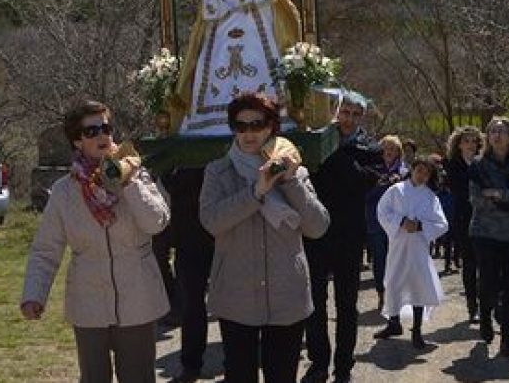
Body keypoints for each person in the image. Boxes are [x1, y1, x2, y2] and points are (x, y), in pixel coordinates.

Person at [21, 100, 170, 383]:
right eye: (91, 131)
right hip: (88, 304)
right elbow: (46, 249)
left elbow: (157, 223)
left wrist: (128, 182)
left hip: (138, 300)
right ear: (77, 141)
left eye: (106, 128)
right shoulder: (64, 191)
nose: (102, 135)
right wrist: (34, 295)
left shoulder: (138, 174)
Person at [199, 92, 329, 382]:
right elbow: (211, 222)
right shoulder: (218, 172)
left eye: (256, 125)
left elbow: (318, 226)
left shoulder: (296, 172)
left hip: (287, 295)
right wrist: (256, 191)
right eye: (240, 125)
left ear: (271, 127)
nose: (249, 133)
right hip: (236, 295)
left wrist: (290, 181)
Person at [174, 0, 301, 136]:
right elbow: (209, 15)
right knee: (215, 71)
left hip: (256, 41)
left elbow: (267, 3)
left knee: (262, 68)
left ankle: (270, 113)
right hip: (222, 44)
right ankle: (212, 118)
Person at [302, 92, 381, 383]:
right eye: (344, 112)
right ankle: (318, 363)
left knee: (346, 304)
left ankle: (344, 365)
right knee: (315, 302)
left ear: (362, 117)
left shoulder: (370, 148)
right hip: (316, 232)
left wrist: (334, 151)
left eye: (354, 114)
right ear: (335, 113)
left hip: (349, 235)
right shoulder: (316, 141)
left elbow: (362, 181)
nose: (348, 119)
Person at [469, 117, 509, 358]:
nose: (497, 135)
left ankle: (507, 339)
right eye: (493, 131)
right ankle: (485, 316)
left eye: (503, 131)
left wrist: (496, 194)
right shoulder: (478, 165)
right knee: (488, 283)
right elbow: (476, 200)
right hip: (484, 233)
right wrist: (508, 198)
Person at [374, 156, 449, 349]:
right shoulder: (396, 190)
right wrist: (400, 221)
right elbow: (382, 210)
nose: (422, 175)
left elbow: (442, 224)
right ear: (412, 169)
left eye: (427, 173)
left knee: (418, 286)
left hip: (418, 249)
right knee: (394, 283)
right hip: (398, 246)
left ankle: (417, 330)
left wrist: (421, 226)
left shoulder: (430, 197)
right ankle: (393, 323)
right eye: (419, 170)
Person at [162, 164, 214, 383]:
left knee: (231, 301)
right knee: (191, 303)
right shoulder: (178, 158)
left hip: (224, 230)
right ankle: (191, 365)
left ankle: (236, 364)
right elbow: (166, 179)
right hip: (188, 233)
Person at [366, 135, 407, 313]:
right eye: (385, 148)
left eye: (393, 149)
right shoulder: (371, 170)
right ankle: (381, 293)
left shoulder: (405, 171)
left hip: (398, 223)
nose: (389, 152)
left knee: (397, 259)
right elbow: (365, 196)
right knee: (379, 258)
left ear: (398, 152)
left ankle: (395, 294)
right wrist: (382, 185)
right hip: (375, 221)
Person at [445, 125, 482, 322]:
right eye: (466, 141)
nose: (470, 144)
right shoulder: (452, 165)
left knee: (486, 264)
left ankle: (486, 303)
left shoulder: (484, 163)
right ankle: (472, 305)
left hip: (485, 219)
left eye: (474, 141)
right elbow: (459, 189)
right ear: (459, 144)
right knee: (469, 264)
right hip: (463, 219)